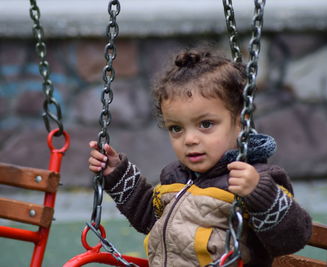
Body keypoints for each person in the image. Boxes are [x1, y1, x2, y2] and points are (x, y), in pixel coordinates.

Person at [88, 49, 312, 267]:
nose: (189, 139)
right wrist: (117, 175)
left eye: (206, 124)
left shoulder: (257, 178)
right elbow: (150, 219)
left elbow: (294, 238)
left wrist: (261, 193)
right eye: (176, 128)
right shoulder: (175, 176)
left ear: (240, 122)